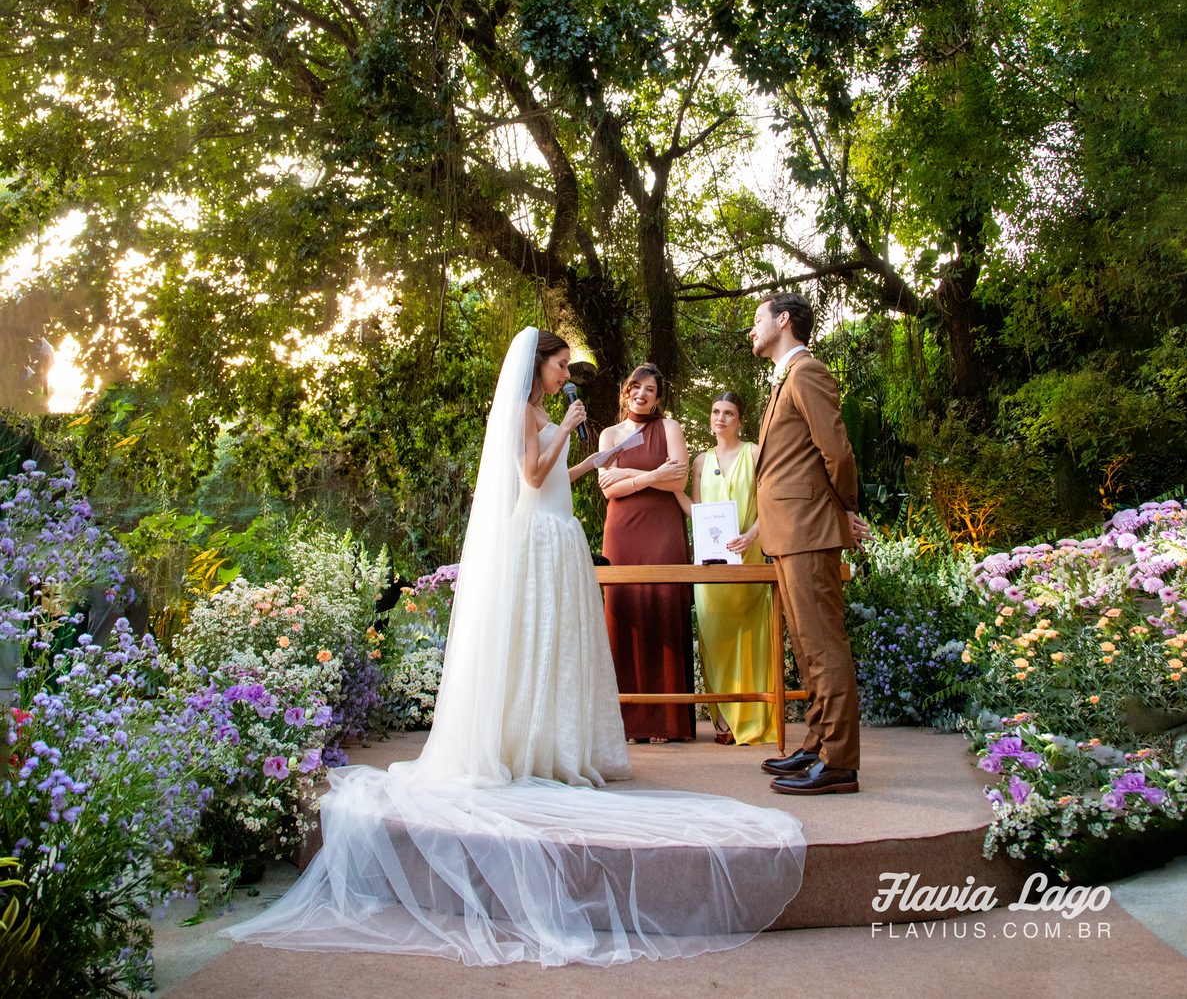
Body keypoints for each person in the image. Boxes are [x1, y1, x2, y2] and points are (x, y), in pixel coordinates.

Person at [226, 326, 807, 966]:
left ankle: (557, 740)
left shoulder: (543, 413)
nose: (567, 375)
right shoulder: (529, 412)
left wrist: (586, 459)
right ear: (541, 368)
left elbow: (557, 469)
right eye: (561, 366)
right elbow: (532, 476)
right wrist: (566, 427)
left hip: (559, 531)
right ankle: (528, 745)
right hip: (539, 536)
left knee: (558, 651)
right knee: (538, 645)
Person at [749, 294, 870, 797]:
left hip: (809, 528)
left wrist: (845, 506)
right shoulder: (787, 379)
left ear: (783, 321)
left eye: (757, 320)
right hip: (789, 531)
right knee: (807, 647)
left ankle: (839, 762)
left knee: (823, 646)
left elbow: (836, 450)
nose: (751, 331)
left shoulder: (807, 373)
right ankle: (819, 744)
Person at [597, 364, 693, 742]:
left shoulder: (669, 428)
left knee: (664, 606)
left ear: (657, 397)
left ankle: (666, 722)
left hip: (664, 529)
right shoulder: (609, 434)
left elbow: (681, 478)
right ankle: (628, 722)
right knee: (624, 612)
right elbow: (608, 489)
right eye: (636, 387)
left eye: (650, 389)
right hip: (622, 532)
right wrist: (655, 476)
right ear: (626, 391)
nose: (642, 394)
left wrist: (631, 477)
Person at [689, 390, 773, 746]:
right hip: (710, 564)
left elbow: (770, 500)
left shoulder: (754, 453)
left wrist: (754, 534)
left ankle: (754, 718)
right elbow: (696, 508)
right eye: (715, 412)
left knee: (750, 636)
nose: (720, 418)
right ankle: (722, 720)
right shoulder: (698, 462)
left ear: (740, 420)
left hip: (749, 557)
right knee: (714, 636)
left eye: (728, 413)